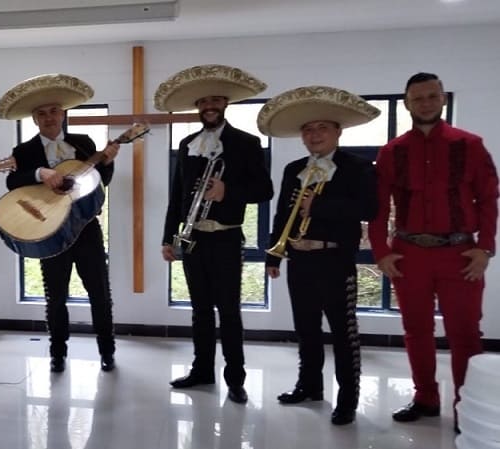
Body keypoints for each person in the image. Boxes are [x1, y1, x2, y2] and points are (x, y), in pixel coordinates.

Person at [368, 73, 498, 425]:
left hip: (460, 255)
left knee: (466, 333)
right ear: (407, 103)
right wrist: (381, 251)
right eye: (417, 97)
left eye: (431, 96)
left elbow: (488, 199)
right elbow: (377, 207)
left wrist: (484, 248)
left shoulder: (470, 145)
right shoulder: (392, 151)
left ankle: (465, 407)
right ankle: (425, 398)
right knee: (416, 330)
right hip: (409, 255)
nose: (425, 102)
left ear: (442, 99)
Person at [258, 86, 380, 424]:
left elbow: (369, 208)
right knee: (306, 329)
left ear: (337, 131)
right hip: (300, 259)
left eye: (322, 128)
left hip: (335, 259)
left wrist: (320, 205)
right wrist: (273, 254)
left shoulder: (358, 167)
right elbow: (283, 213)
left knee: (344, 332)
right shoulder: (293, 169)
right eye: (308, 130)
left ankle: (347, 399)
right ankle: (309, 385)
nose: (314, 135)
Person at [156, 64, 273, 403]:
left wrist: (227, 191)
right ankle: (202, 371)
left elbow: (264, 190)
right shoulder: (187, 142)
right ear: (198, 106)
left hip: (225, 236)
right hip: (193, 237)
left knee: (229, 311)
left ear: (225, 103)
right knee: (200, 310)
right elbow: (177, 195)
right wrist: (168, 236)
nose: (209, 105)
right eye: (203, 101)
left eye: (216, 100)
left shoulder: (246, 142)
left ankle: (235, 378)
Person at [0, 73, 119, 373]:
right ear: (35, 119)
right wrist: (41, 173)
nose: (49, 117)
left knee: (100, 293)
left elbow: (99, 181)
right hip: (48, 230)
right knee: (55, 296)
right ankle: (57, 353)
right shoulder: (24, 151)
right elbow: (13, 182)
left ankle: (107, 351)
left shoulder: (83, 142)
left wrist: (108, 160)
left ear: (62, 114)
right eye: (42, 113)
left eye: (53, 111)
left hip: (86, 228)